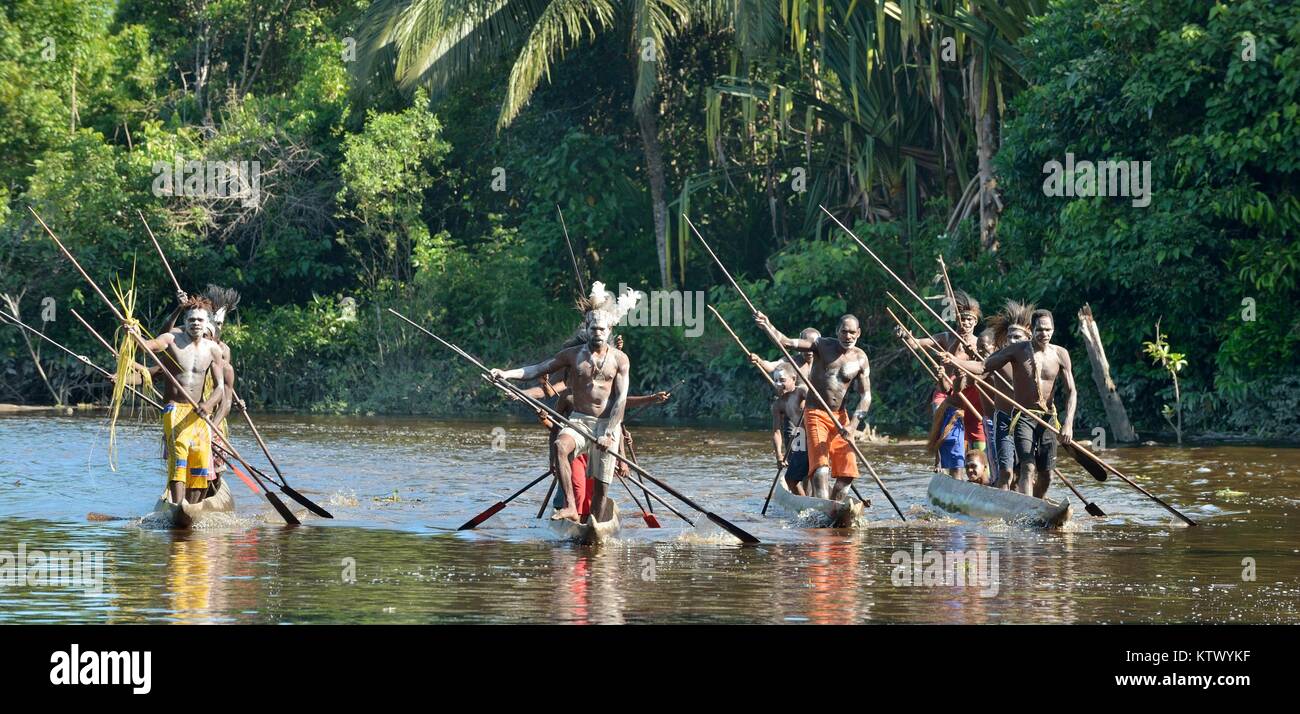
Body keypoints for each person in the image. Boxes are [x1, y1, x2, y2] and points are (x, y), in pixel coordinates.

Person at [491, 309, 630, 523]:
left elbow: (620, 400)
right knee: (560, 446)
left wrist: (610, 434)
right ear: (587, 328)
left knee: (601, 489)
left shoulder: (620, 359)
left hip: (606, 426)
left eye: (602, 328)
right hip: (580, 420)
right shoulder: (572, 355)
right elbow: (538, 369)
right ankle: (571, 507)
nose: (597, 332)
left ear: (609, 330)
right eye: (593, 328)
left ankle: (594, 527)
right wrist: (506, 374)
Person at [947, 309, 1076, 498]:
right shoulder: (1015, 352)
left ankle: (1038, 505)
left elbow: (1071, 391)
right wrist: (955, 361)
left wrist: (1069, 423)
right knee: (1025, 467)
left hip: (1048, 417)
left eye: (1048, 330)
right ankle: (1026, 507)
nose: (1044, 334)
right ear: (1033, 330)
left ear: (1053, 330)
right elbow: (983, 366)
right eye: (1040, 330)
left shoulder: (1060, 354)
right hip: (1021, 417)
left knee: (1047, 474)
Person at [755, 312, 869, 501]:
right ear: (837, 332)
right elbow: (787, 342)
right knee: (821, 469)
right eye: (844, 332)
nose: (847, 336)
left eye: (851, 332)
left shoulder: (861, 358)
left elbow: (866, 396)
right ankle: (821, 507)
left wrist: (853, 425)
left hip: (841, 418)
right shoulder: (822, 345)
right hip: (816, 413)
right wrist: (768, 325)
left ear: (859, 333)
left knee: (847, 475)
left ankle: (834, 506)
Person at [133, 297, 227, 505]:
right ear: (184, 321)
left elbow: (220, 388)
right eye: (191, 319)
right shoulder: (171, 340)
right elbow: (146, 347)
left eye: (200, 320)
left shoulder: (214, 350)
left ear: (206, 324)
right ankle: (177, 506)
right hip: (175, 409)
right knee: (179, 457)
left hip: (200, 414)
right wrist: (134, 333)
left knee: (201, 461)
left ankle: (191, 508)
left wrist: (208, 404)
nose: (195, 323)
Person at [902, 289, 987, 455]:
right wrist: (907, 337)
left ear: (975, 322)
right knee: (945, 426)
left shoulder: (979, 344)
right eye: (963, 319)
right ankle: (940, 459)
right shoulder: (946, 337)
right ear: (957, 319)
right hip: (944, 392)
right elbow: (916, 343)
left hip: (968, 393)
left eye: (970, 319)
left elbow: (985, 366)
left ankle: (974, 466)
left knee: (971, 436)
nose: (966, 323)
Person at [980, 300, 1034, 489]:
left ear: (1028, 334)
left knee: (1027, 471)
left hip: (1028, 419)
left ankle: (1030, 503)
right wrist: (956, 364)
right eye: (1010, 337)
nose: (1012, 341)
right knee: (1007, 472)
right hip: (1003, 419)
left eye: (1017, 337)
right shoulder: (999, 358)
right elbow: (980, 369)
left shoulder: (1038, 357)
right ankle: (1003, 503)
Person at [769, 365, 809, 495]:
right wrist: (779, 456)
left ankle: (812, 498)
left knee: (808, 475)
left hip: (814, 435)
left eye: (782, 380)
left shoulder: (801, 392)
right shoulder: (778, 404)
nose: (778, 384)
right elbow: (776, 432)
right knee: (793, 479)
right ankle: (803, 501)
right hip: (800, 438)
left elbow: (816, 399)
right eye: (776, 380)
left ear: (793, 379)